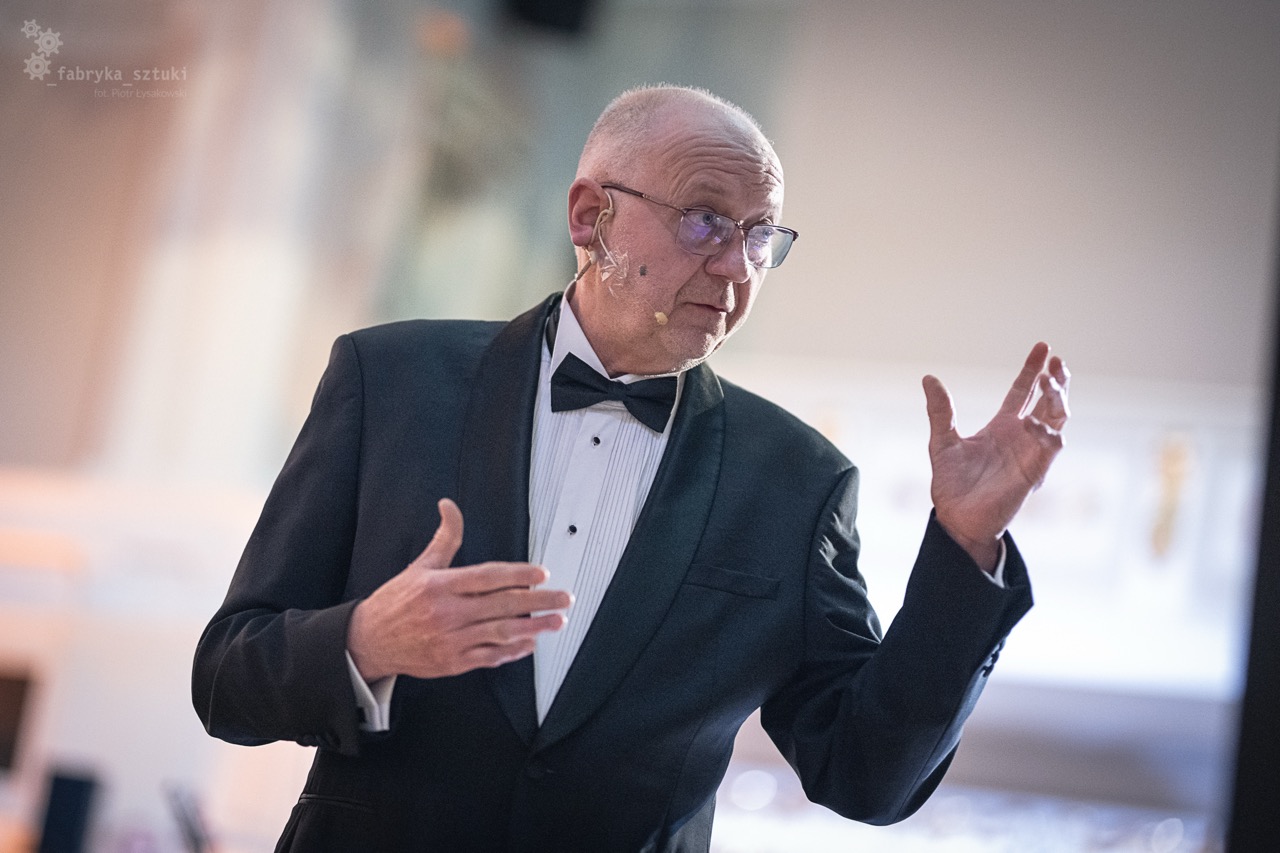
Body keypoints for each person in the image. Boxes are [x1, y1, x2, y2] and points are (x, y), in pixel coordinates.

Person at [192, 84, 1069, 852]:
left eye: (761, 236)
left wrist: (965, 547)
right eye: (705, 220)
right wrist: (366, 642)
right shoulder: (388, 381)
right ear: (590, 216)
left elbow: (866, 773)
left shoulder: (797, 483)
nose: (737, 266)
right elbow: (227, 678)